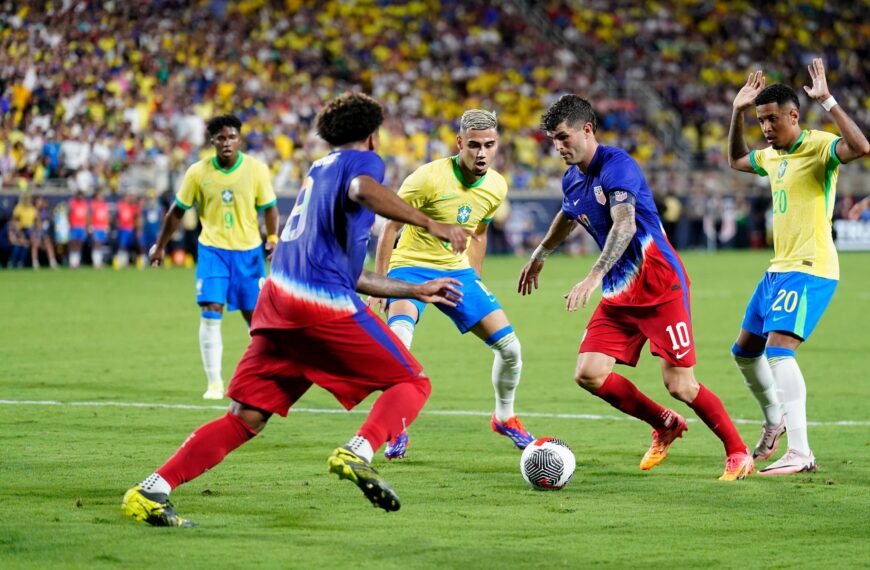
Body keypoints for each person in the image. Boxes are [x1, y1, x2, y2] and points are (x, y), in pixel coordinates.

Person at [122, 92, 471, 526]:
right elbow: (363, 189)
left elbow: (349, 272)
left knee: (245, 418)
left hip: (278, 302)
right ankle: (358, 451)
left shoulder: (317, 172)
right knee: (413, 383)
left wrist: (415, 290)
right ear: (372, 135)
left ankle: (151, 490)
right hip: (318, 304)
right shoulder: (361, 164)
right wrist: (432, 223)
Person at [518, 94, 754, 481]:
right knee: (589, 373)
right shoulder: (572, 176)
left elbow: (624, 225)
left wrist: (592, 275)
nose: (558, 147)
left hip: (660, 287)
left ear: (587, 130)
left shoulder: (618, 166)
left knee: (679, 384)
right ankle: (665, 424)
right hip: (619, 292)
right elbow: (567, 212)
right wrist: (542, 251)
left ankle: (738, 452)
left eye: (563, 137)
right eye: (552, 140)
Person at [726, 59, 869, 474]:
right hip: (778, 268)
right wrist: (737, 111)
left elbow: (860, 148)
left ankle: (802, 453)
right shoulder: (771, 156)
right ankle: (776, 419)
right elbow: (736, 159)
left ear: (794, 115)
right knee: (744, 352)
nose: (766, 128)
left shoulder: (820, 146)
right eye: (760, 121)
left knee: (778, 352)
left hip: (810, 265)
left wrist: (828, 101)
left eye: (772, 119)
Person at [369, 109, 534, 460]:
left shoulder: (496, 186)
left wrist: (474, 275)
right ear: (460, 142)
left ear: (497, 144)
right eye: (474, 145)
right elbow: (390, 229)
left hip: (458, 273)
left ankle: (504, 418)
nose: (482, 153)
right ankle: (395, 426)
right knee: (398, 344)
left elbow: (480, 231)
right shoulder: (427, 178)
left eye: (489, 145)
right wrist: (380, 286)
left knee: (511, 349)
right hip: (410, 268)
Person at [148, 114, 280, 399]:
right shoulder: (197, 172)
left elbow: (269, 208)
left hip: (248, 253)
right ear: (212, 141)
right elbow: (177, 211)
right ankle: (214, 383)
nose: (227, 142)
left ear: (240, 139)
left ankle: (264, 375)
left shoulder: (256, 170)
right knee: (210, 312)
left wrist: (272, 239)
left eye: (232, 137)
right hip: (212, 251)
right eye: (221, 138)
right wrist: (160, 246)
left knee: (256, 319)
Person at [114, 192, 139, 269]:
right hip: (123, 228)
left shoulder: (133, 206)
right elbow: (116, 216)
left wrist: (136, 228)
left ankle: (125, 262)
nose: (128, 198)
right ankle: (120, 262)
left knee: (128, 246)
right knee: (122, 245)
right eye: (127, 197)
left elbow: (136, 217)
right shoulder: (120, 205)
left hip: (130, 229)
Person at [67, 190, 89, 269]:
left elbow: (86, 216)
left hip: (81, 226)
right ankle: (71, 261)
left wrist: (86, 227)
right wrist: (69, 225)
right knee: (73, 243)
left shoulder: (84, 204)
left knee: (79, 244)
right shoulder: (72, 203)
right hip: (74, 226)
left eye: (81, 195)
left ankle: (77, 262)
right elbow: (69, 214)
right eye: (79, 195)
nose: (80, 197)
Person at [90, 189, 110, 269]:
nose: (101, 197)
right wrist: (90, 225)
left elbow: (106, 216)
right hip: (96, 226)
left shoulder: (105, 205)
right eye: (99, 195)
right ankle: (96, 262)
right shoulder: (93, 204)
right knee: (96, 244)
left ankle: (99, 261)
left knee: (100, 244)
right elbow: (90, 215)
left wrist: (107, 225)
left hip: (103, 227)